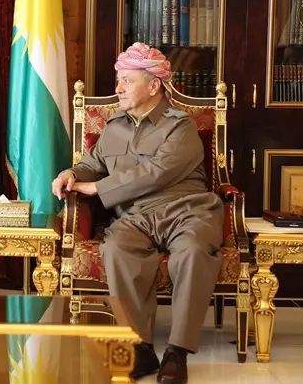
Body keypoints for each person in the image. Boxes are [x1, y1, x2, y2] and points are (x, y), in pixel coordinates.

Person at [51, 43, 223, 384]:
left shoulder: (181, 126)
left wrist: (97, 188)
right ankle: (140, 349)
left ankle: (177, 352)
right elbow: (92, 163)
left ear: (154, 85)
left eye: (126, 81)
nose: (118, 88)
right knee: (117, 248)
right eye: (119, 80)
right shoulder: (114, 126)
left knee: (192, 252)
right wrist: (71, 174)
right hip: (135, 216)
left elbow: (157, 172)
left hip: (186, 211)